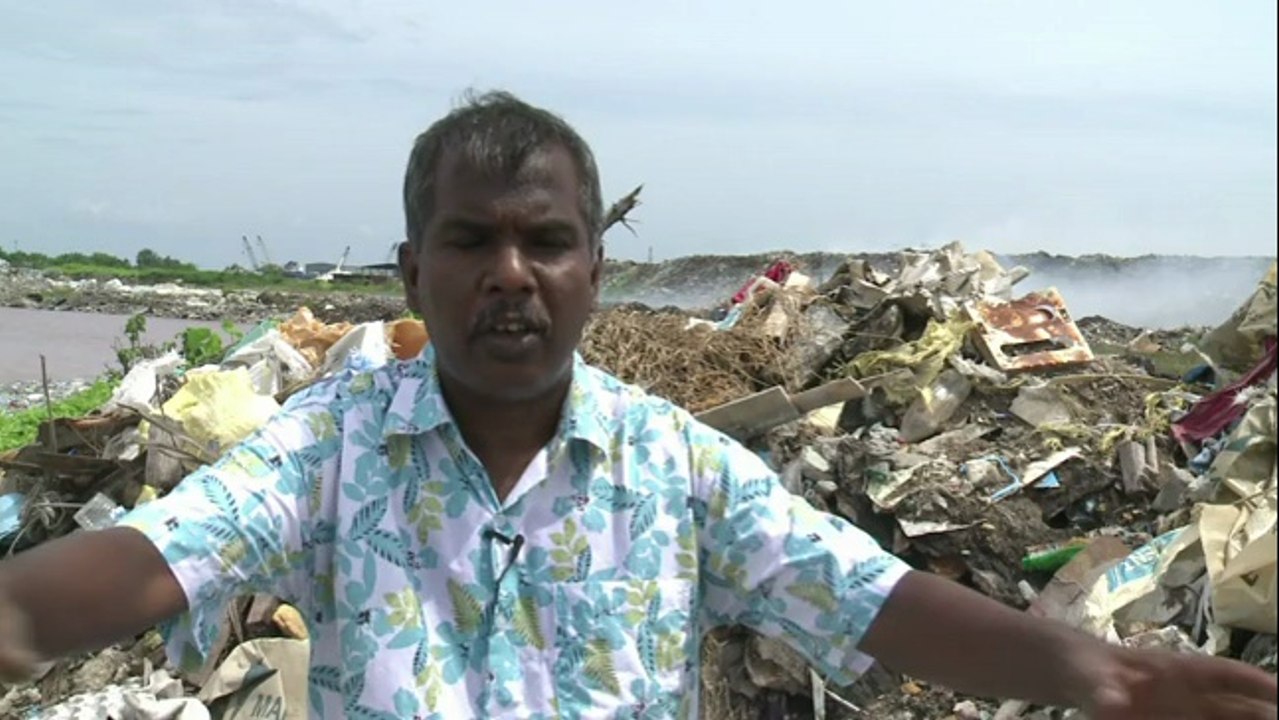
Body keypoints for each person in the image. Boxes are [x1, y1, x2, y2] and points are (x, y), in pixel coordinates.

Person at [1, 91, 1274, 720]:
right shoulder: (330, 449)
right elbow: (170, 551)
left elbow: (860, 593)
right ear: (411, 274)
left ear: (593, 272)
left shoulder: (676, 467)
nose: (510, 273)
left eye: (546, 240)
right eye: (470, 241)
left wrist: (1093, 673)